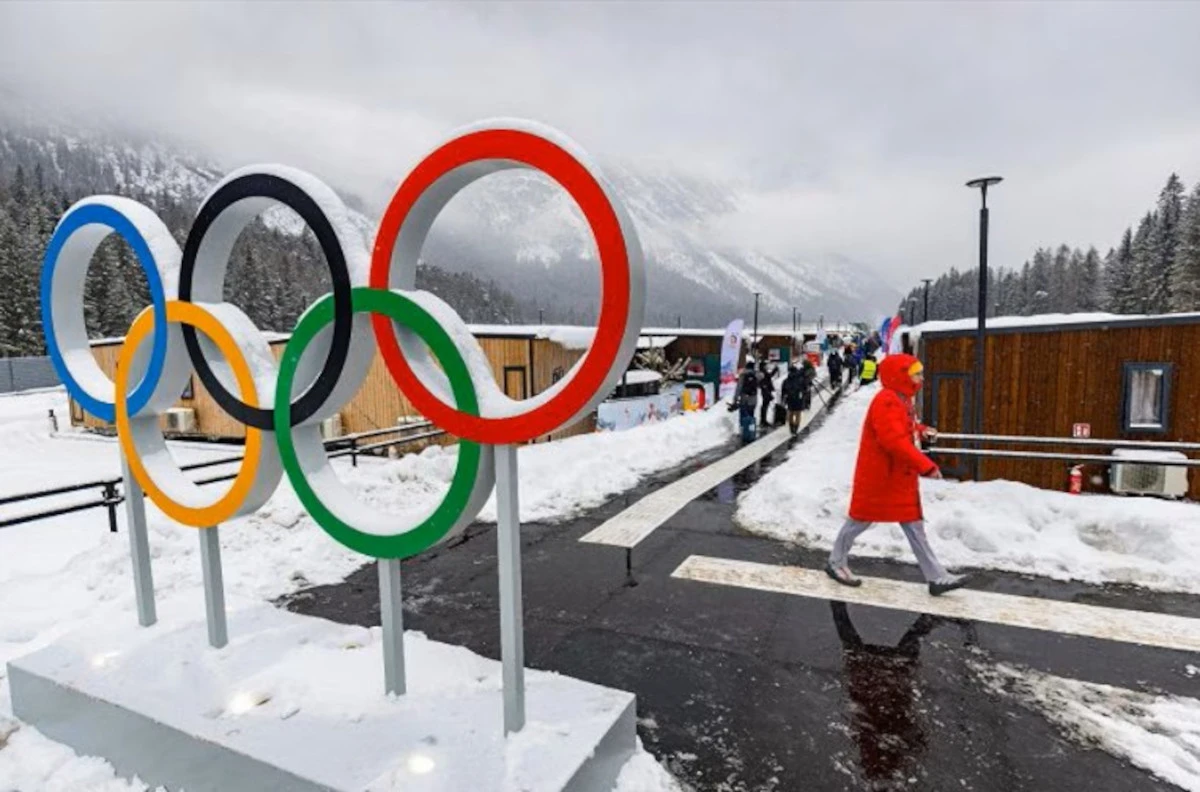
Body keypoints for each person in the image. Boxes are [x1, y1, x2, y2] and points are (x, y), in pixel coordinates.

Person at [825, 354, 971, 596]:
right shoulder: (888, 401)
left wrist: (921, 430)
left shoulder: (900, 398)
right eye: (917, 374)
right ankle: (835, 562)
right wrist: (925, 465)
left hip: (895, 477)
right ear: (901, 375)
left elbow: (903, 428)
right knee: (860, 520)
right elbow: (894, 441)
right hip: (882, 477)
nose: (921, 378)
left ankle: (937, 577)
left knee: (913, 525)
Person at [729, 364, 759, 442]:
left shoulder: (743, 375)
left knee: (743, 416)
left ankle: (744, 433)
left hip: (744, 399)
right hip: (753, 400)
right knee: (751, 416)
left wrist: (735, 399)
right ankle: (751, 432)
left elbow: (738, 388)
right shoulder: (755, 375)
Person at [781, 364, 807, 435]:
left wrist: (783, 399)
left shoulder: (786, 380)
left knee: (791, 413)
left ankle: (791, 427)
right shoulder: (800, 379)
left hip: (790, 399)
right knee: (798, 414)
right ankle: (796, 427)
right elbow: (805, 388)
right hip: (799, 399)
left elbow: (783, 390)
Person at [758, 360, 778, 427]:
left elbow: (769, 376)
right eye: (765, 365)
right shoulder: (762, 373)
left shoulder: (763, 372)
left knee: (765, 405)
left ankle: (763, 420)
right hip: (765, 391)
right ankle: (763, 420)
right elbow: (764, 381)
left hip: (766, 390)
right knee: (764, 406)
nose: (766, 367)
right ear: (763, 366)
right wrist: (768, 393)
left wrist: (775, 370)